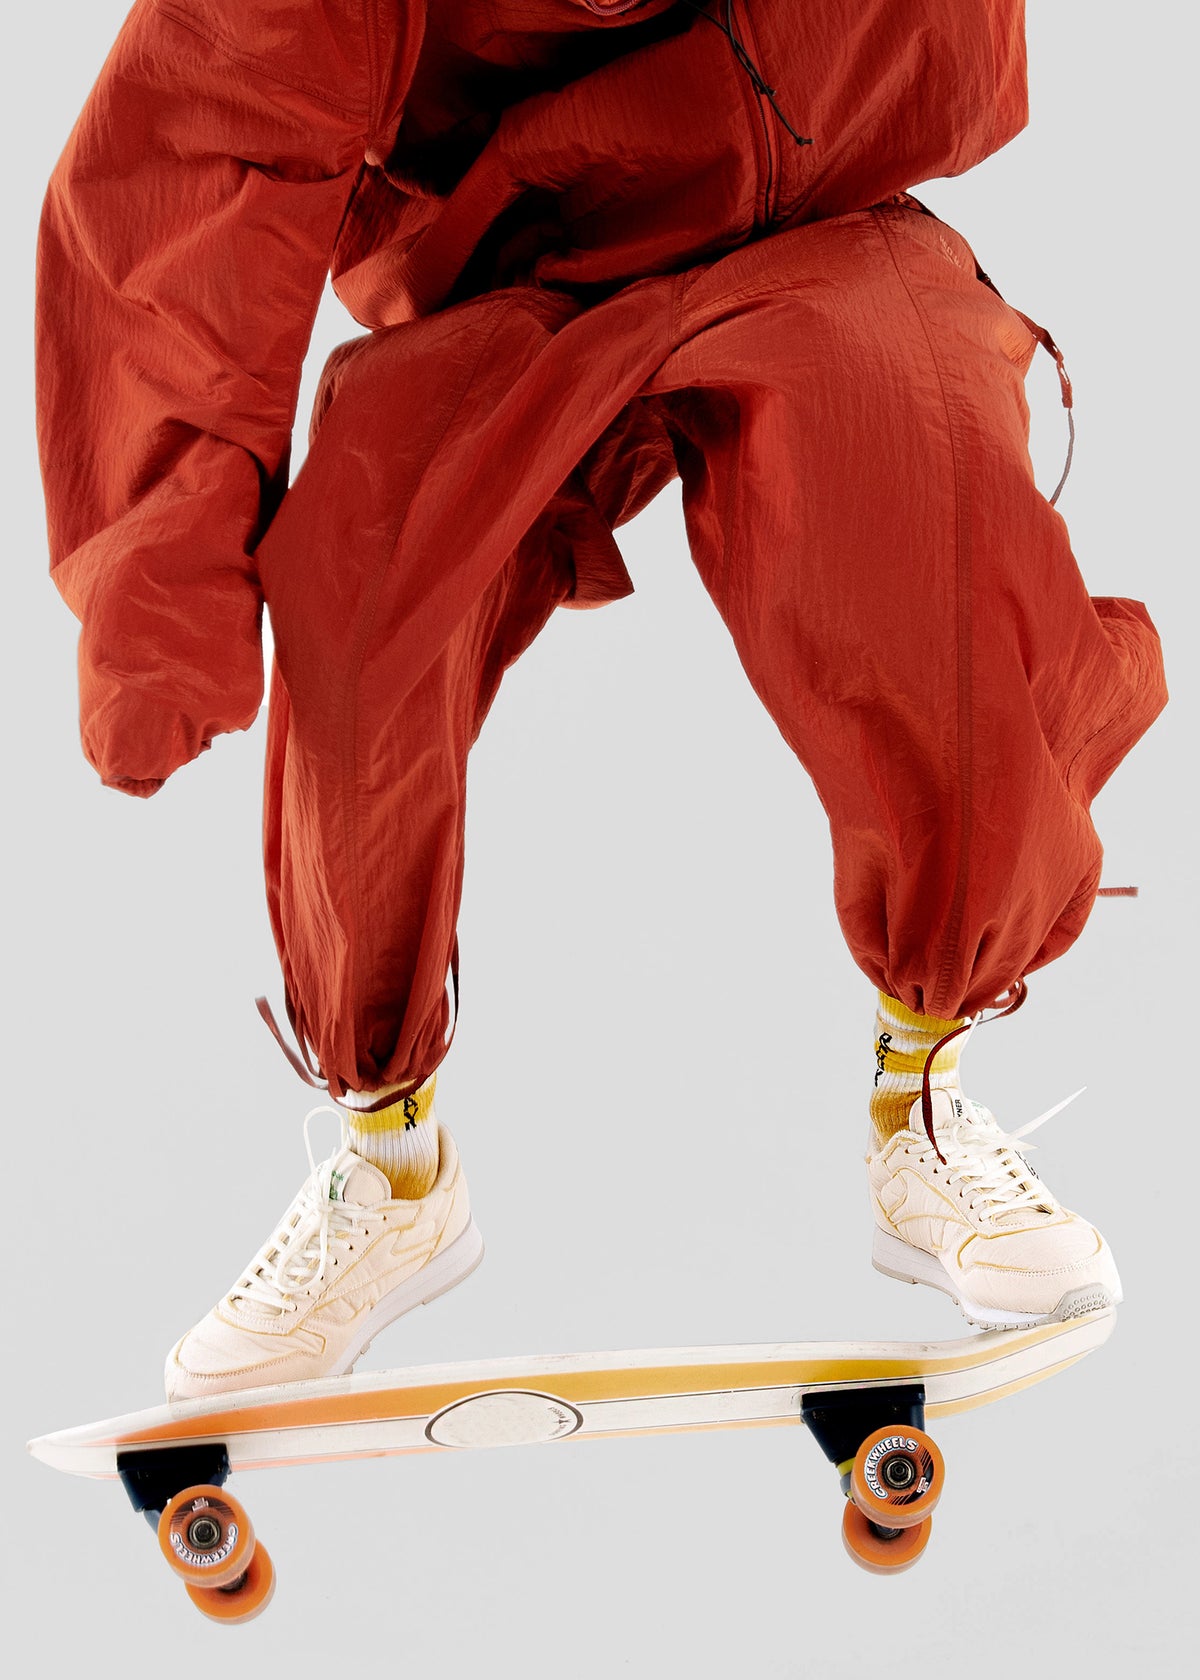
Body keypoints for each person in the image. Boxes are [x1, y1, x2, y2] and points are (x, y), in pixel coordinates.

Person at [35, 1, 1166, 1403]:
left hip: (820, 220)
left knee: (919, 491)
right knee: (356, 589)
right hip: (519, 270)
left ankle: (922, 1095)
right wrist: (160, 585)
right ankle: (390, 1166)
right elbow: (203, 139)